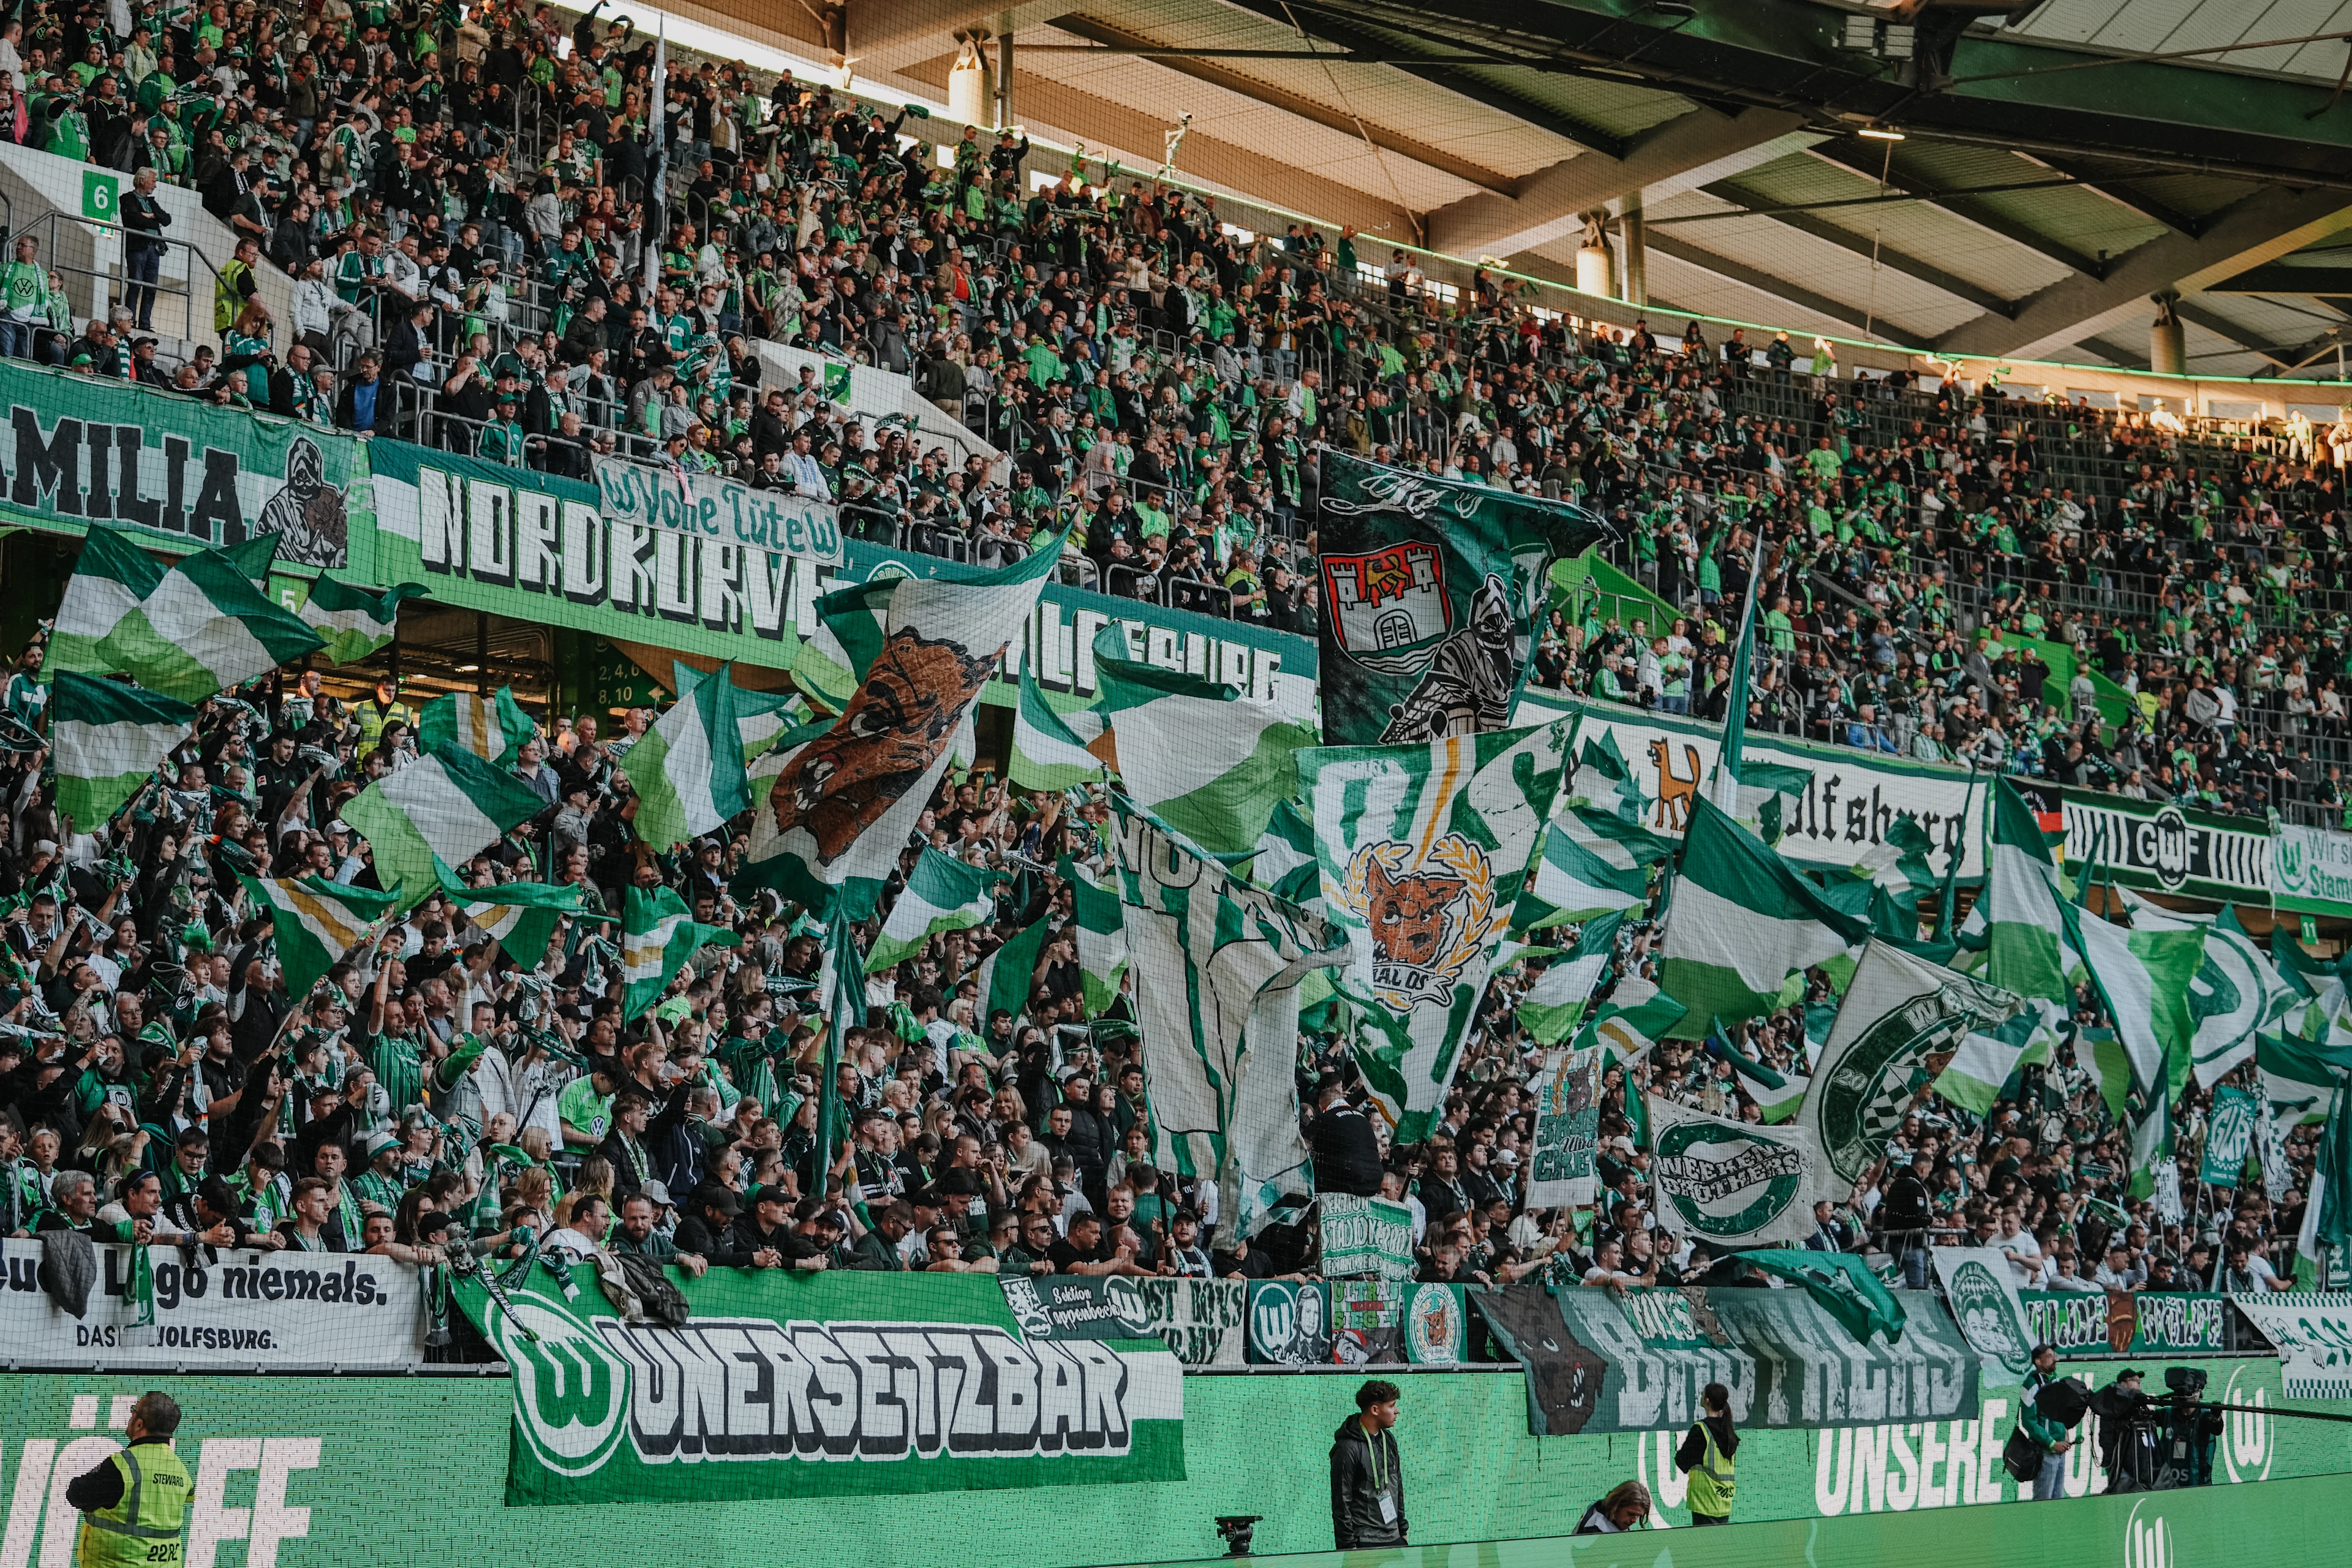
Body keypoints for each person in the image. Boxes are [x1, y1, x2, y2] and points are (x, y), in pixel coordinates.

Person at [66, 1390, 189, 1567]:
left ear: (139, 1424)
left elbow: (77, 1494)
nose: (131, 1415)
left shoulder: (124, 1467)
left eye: (134, 1410)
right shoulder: (180, 1469)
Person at [1329, 1378, 1406, 1550]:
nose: (1397, 1411)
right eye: (1392, 1405)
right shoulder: (1347, 1448)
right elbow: (1341, 1502)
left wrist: (1402, 1529)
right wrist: (1348, 1547)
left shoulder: (1389, 1440)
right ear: (1375, 1410)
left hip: (1394, 1538)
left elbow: (1397, 1487)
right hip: (1364, 1542)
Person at [2018, 1342, 2075, 1501]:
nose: (2054, 1360)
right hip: (2045, 1452)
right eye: (2049, 1357)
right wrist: (2051, 1443)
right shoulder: (2031, 1384)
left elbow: (2061, 1412)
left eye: (2054, 1356)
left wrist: (2065, 1433)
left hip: (2060, 1450)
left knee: (2058, 1499)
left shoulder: (2055, 1380)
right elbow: (2029, 1421)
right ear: (2038, 1361)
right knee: (2043, 1501)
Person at [1675, 1382, 1737, 1525]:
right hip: (1724, 1499)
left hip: (1704, 1500)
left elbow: (1683, 1462)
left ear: (1707, 1401)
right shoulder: (1729, 1429)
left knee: (1704, 1545)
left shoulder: (1700, 1429)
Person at [1574, 1480, 1652, 1534]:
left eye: (1638, 1516)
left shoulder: (1616, 1518)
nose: (1634, 1520)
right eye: (1630, 1514)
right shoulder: (1595, 1528)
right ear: (1617, 1506)